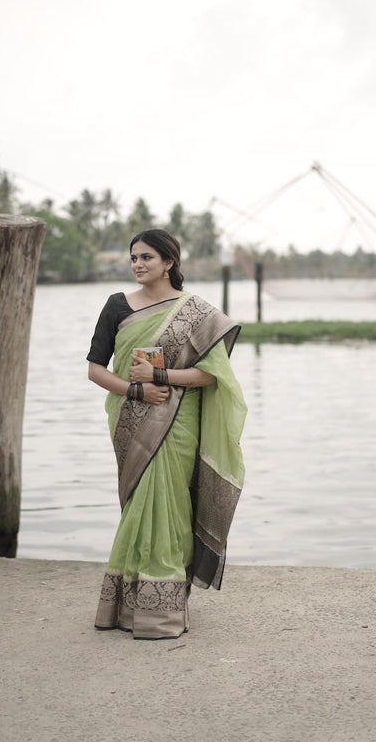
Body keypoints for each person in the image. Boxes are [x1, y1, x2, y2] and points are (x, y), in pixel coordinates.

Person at [87, 229, 247, 639]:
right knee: (140, 502)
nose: (138, 265)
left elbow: (211, 376)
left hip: (178, 422)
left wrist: (161, 375)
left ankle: (161, 610)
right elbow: (96, 370)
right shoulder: (116, 307)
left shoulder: (197, 312)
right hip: (132, 416)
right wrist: (136, 388)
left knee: (171, 502)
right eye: (134, 258)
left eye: (147, 258)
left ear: (169, 263)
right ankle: (125, 606)